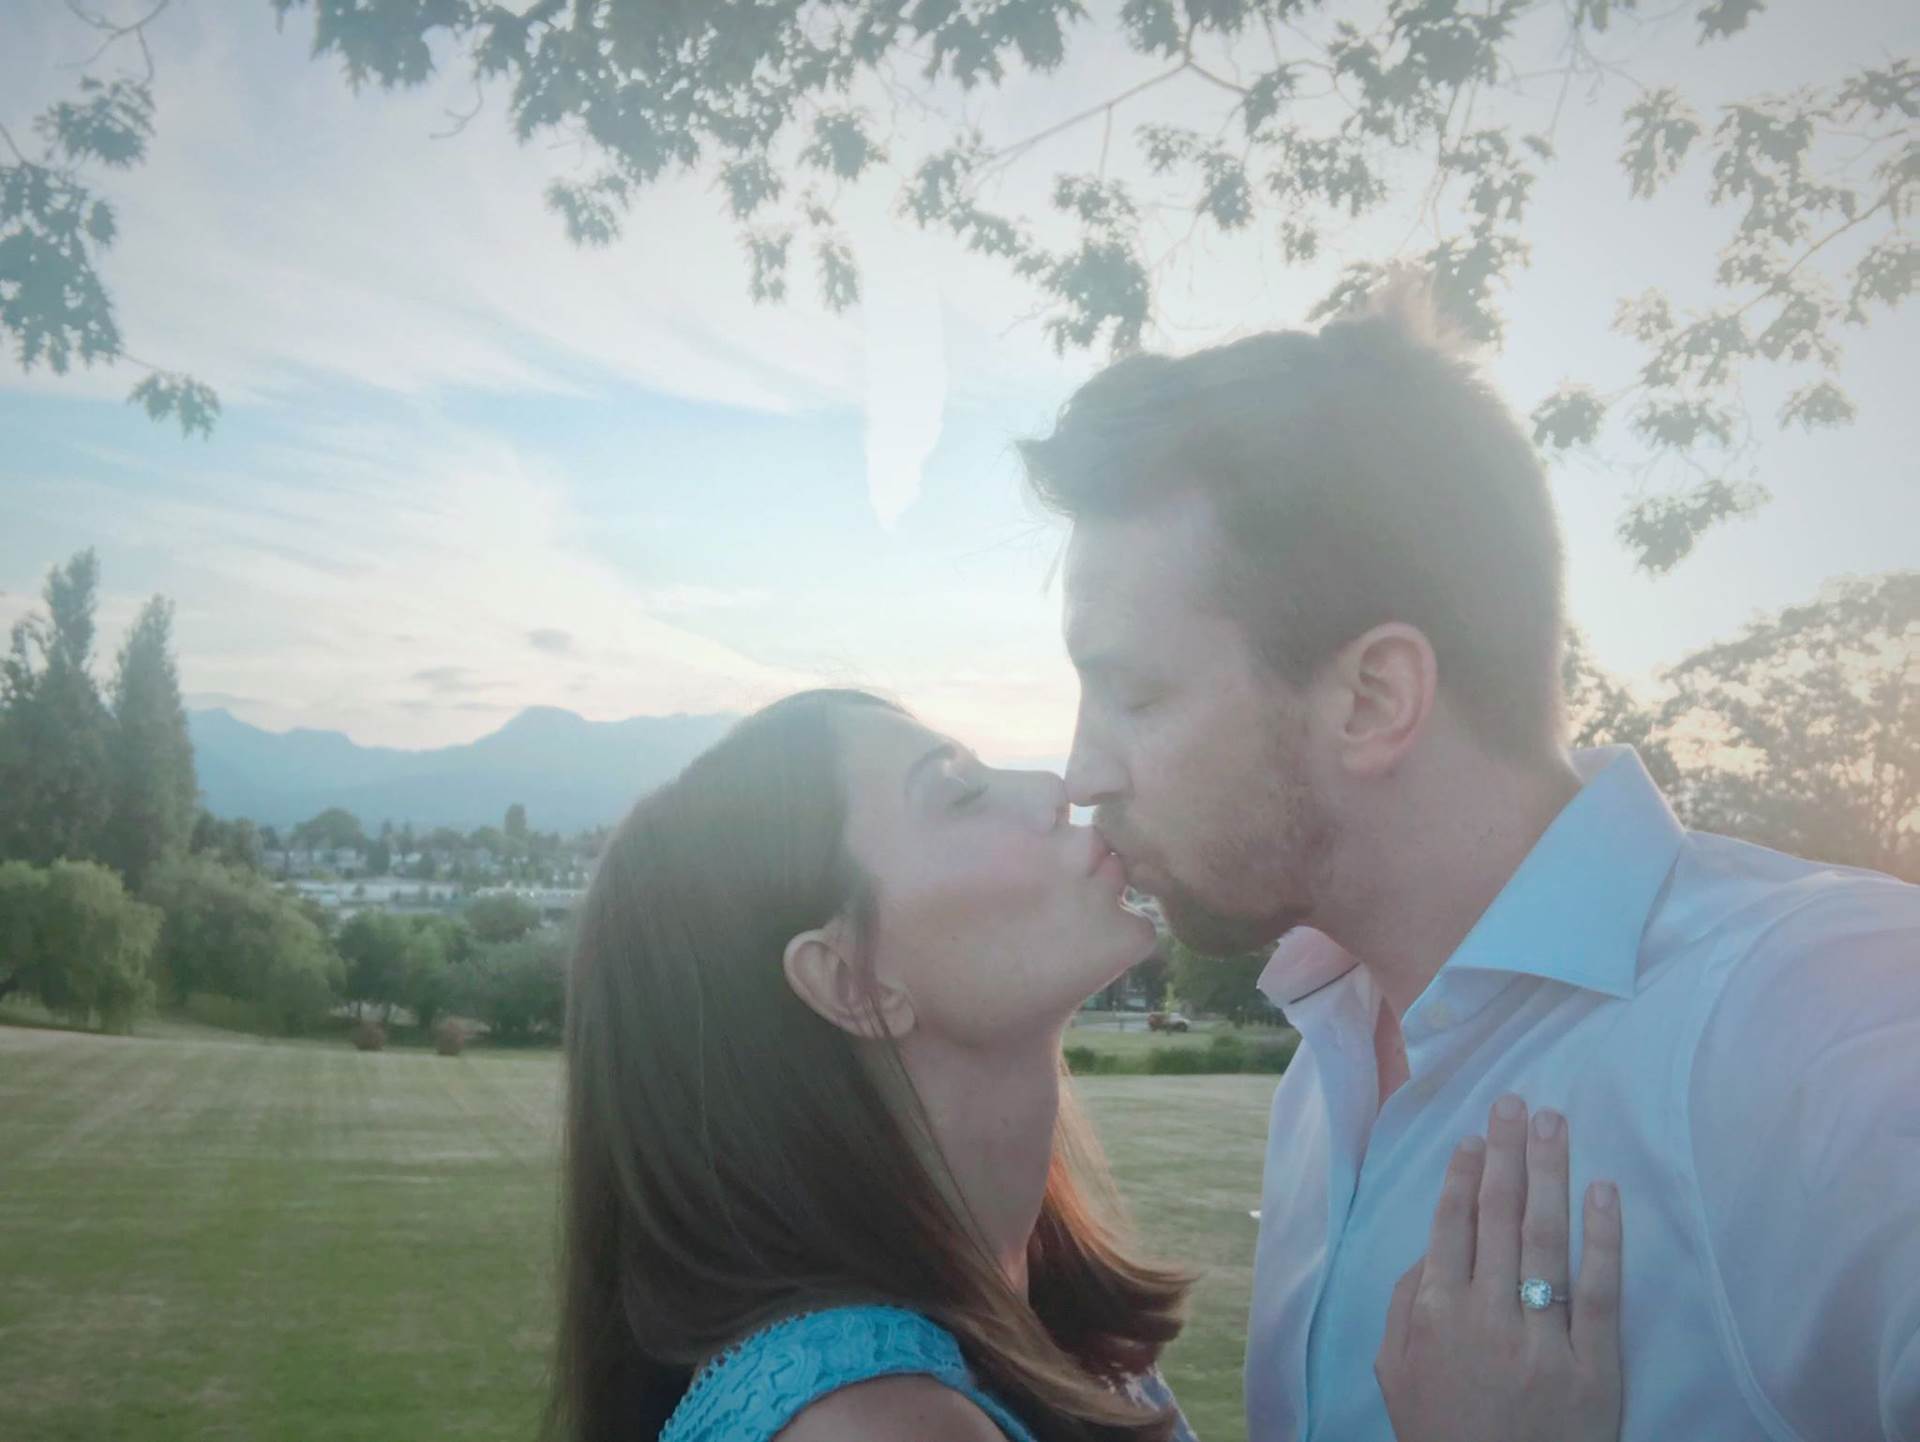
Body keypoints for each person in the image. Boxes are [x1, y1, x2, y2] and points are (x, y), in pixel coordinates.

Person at [1021, 275, 1920, 1441]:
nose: (1081, 769)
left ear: (1374, 696)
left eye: (1135, 692)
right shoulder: (1326, 1075)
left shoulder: (1826, 1024)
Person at [544, 688, 1623, 1442]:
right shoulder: (876, 1425)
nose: (1052, 785)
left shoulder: (1029, 1329)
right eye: (957, 793)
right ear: (850, 978)